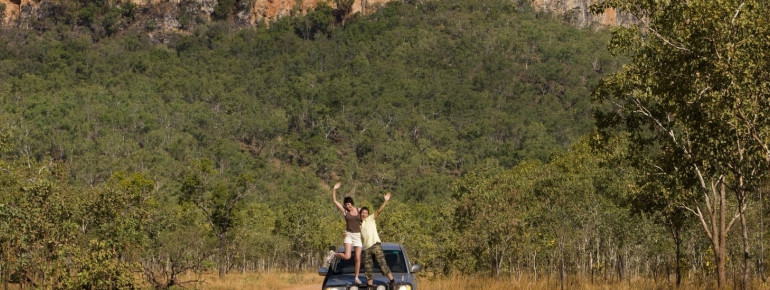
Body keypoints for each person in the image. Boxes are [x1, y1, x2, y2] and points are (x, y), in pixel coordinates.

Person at [325, 182, 363, 284]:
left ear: (352, 203)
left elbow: (366, 218)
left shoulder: (359, 210)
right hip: (348, 234)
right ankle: (334, 254)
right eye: (346, 205)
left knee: (358, 258)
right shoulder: (345, 211)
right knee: (347, 256)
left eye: (348, 204)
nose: (347, 206)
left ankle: (356, 278)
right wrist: (334, 189)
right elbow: (334, 201)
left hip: (358, 235)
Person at [360, 192, 396, 289]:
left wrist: (385, 201)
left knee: (382, 264)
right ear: (360, 214)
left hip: (375, 245)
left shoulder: (371, 218)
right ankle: (370, 286)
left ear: (368, 214)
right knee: (368, 268)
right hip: (366, 248)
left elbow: (379, 210)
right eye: (362, 213)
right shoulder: (360, 225)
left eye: (365, 213)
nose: (364, 214)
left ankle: (393, 282)